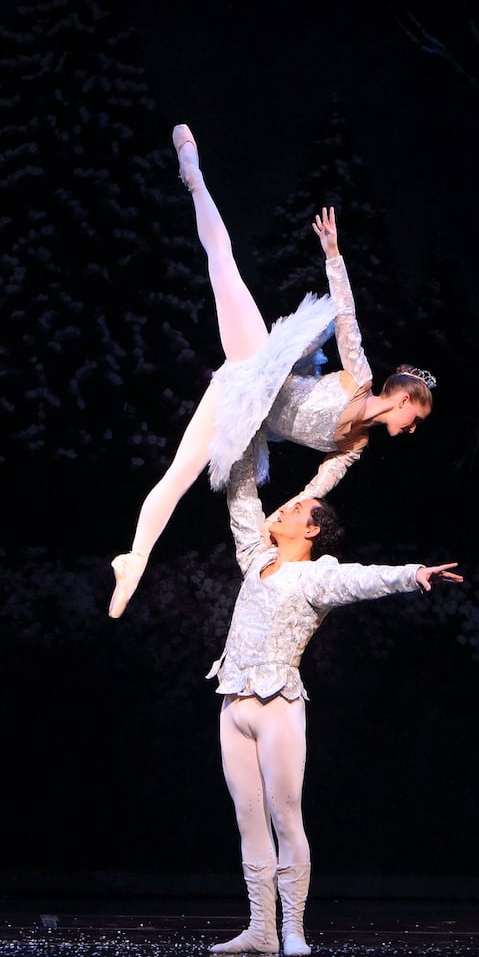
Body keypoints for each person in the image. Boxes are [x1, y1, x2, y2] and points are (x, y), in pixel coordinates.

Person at [108, 123, 437, 619]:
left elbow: (313, 492)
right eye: (415, 419)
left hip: (246, 411)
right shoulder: (360, 378)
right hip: (258, 367)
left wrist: (277, 520)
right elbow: (346, 317)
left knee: (182, 471)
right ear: (405, 398)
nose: (410, 429)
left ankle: (133, 559)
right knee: (224, 265)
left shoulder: (356, 446)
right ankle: (193, 173)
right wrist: (334, 257)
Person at [205, 436, 463, 956]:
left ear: (313, 529)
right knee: (247, 816)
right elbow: (242, 497)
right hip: (233, 703)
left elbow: (360, 580)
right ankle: (261, 928)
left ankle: (294, 927)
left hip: (278, 707)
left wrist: (413, 574)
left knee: (285, 814)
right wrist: (241, 438)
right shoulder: (255, 557)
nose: (285, 507)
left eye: (297, 507)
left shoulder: (315, 576)